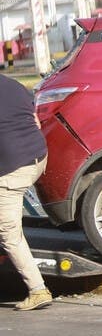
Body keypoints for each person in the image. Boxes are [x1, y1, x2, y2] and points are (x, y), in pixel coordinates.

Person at [0, 75, 53, 311]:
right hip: (38, 157)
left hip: (12, 170)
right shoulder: (14, 85)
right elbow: (35, 122)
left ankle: (38, 290)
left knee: (9, 234)